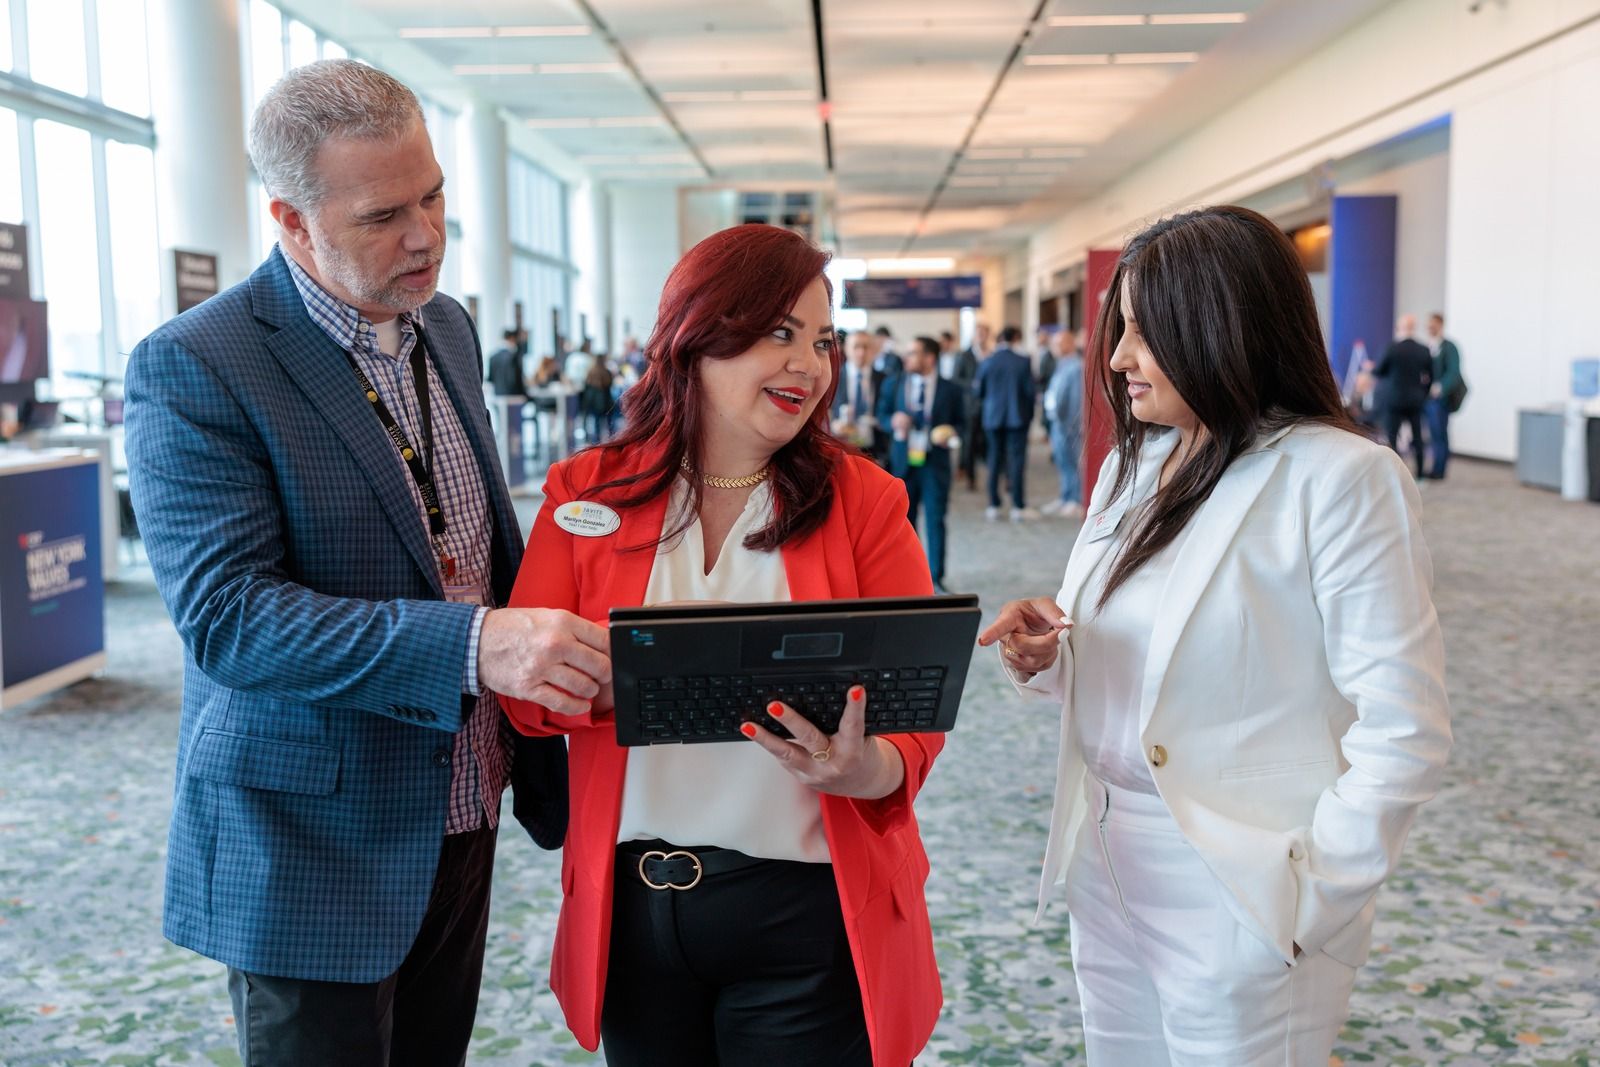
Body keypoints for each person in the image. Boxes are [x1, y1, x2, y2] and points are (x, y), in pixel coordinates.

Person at [123, 60, 599, 1067]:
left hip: (460, 795)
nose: (424, 234)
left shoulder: (448, 327)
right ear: (290, 219)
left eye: (432, 196)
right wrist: (476, 644)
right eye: (384, 213)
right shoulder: (199, 362)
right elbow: (229, 616)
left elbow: (469, 546)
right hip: (309, 836)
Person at [979, 205, 1451, 1066]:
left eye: (1141, 333)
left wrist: (1308, 900)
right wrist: (1054, 654)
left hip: (1239, 881)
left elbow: (1405, 726)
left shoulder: (1340, 477)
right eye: (1117, 332)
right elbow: (1155, 658)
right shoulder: (1138, 463)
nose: (1117, 359)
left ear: (1219, 330)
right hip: (1108, 859)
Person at [498, 224, 944, 1067]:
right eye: (779, 333)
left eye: (822, 340)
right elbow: (523, 702)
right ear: (698, 334)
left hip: (806, 910)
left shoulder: (863, 500)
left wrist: (867, 767)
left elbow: (914, 708)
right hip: (633, 914)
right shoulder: (587, 489)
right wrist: (618, 681)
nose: (809, 365)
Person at [878, 335, 965, 593]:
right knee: (904, 522)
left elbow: (962, 424)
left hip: (935, 463)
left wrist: (949, 434)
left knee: (936, 519)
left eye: (913, 353)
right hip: (903, 462)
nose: (907, 357)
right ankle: (908, 577)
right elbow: (881, 414)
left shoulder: (951, 389)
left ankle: (935, 579)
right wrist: (893, 420)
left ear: (930, 358)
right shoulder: (893, 383)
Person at [972, 325, 1039, 521]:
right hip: (1017, 418)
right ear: (1016, 338)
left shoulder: (988, 361)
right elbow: (1030, 393)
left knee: (993, 459)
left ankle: (994, 504)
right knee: (1016, 461)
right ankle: (1017, 506)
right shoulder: (1023, 361)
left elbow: (978, 392)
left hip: (993, 418)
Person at [1369, 314, 1432, 478]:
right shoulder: (1423, 349)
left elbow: (1379, 371)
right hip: (1415, 400)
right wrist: (1422, 394)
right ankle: (1420, 475)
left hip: (1394, 400)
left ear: (1399, 328)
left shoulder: (1392, 348)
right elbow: (1431, 377)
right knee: (1418, 438)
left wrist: (1371, 367)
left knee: (1392, 437)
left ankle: (1395, 475)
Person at [1041, 328, 1084, 518]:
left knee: (1072, 461)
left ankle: (1075, 499)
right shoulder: (1062, 365)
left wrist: (1071, 425)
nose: (1055, 347)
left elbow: (1075, 400)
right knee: (1062, 461)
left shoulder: (1075, 367)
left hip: (1068, 425)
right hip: (1057, 423)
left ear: (1069, 343)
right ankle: (1066, 496)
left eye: (1059, 343)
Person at [831, 328, 887, 462]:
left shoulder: (884, 378)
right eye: (856, 347)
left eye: (866, 347)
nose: (861, 353)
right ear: (846, 348)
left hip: (875, 448)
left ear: (873, 350)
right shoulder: (833, 377)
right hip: (842, 446)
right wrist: (833, 425)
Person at [1424, 312, 1465, 479]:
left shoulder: (1449, 347)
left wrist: (1439, 388)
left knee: (1440, 433)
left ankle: (1439, 469)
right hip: (1427, 398)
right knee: (1433, 433)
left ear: (1441, 325)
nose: (1430, 328)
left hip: (1440, 399)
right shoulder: (1429, 346)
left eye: (1434, 325)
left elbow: (1454, 373)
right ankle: (1435, 467)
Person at [955, 324, 988, 490]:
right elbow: (957, 379)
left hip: (987, 407)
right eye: (979, 333)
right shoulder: (964, 355)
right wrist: (973, 385)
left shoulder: (990, 354)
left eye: (984, 333)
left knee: (985, 442)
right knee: (969, 442)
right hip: (970, 406)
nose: (981, 336)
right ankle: (970, 476)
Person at [487, 326, 529, 397]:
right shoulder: (514, 356)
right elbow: (515, 380)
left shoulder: (492, 357)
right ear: (513, 338)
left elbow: (491, 379)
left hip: (498, 396)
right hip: (514, 398)